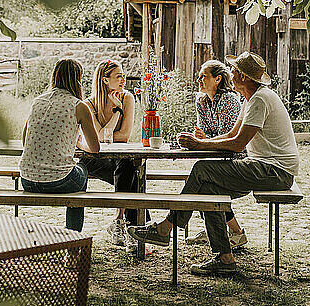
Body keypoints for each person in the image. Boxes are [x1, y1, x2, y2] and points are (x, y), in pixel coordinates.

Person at [128, 52, 299, 276]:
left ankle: (167, 227)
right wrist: (202, 142)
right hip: (264, 167)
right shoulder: (251, 98)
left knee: (202, 168)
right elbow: (232, 133)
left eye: (235, 70)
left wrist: (200, 145)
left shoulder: (259, 99)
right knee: (208, 191)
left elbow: (238, 144)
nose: (231, 73)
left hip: (275, 171)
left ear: (244, 76)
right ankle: (225, 258)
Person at [20, 58, 100, 232]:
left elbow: (24, 140)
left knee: (75, 169)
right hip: (59, 181)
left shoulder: (38, 102)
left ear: (54, 76)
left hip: (27, 180)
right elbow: (95, 148)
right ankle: (72, 235)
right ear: (77, 79)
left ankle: (71, 235)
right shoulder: (79, 105)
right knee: (83, 168)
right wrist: (79, 143)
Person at [186, 59, 247, 248]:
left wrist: (204, 140)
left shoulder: (229, 100)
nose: (199, 80)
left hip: (234, 157)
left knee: (203, 182)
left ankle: (234, 232)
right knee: (201, 180)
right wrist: (203, 139)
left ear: (218, 79)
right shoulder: (202, 101)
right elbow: (203, 133)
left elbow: (230, 139)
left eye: (203, 76)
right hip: (212, 154)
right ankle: (215, 228)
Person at [79, 60, 138, 251]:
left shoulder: (128, 98)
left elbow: (124, 136)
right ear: (105, 80)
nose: (123, 80)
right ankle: (133, 228)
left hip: (117, 159)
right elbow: (97, 139)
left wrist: (107, 133)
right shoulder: (89, 104)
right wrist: (116, 112)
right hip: (92, 159)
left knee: (128, 167)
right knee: (132, 177)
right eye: (118, 76)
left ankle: (120, 222)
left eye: (123, 75)